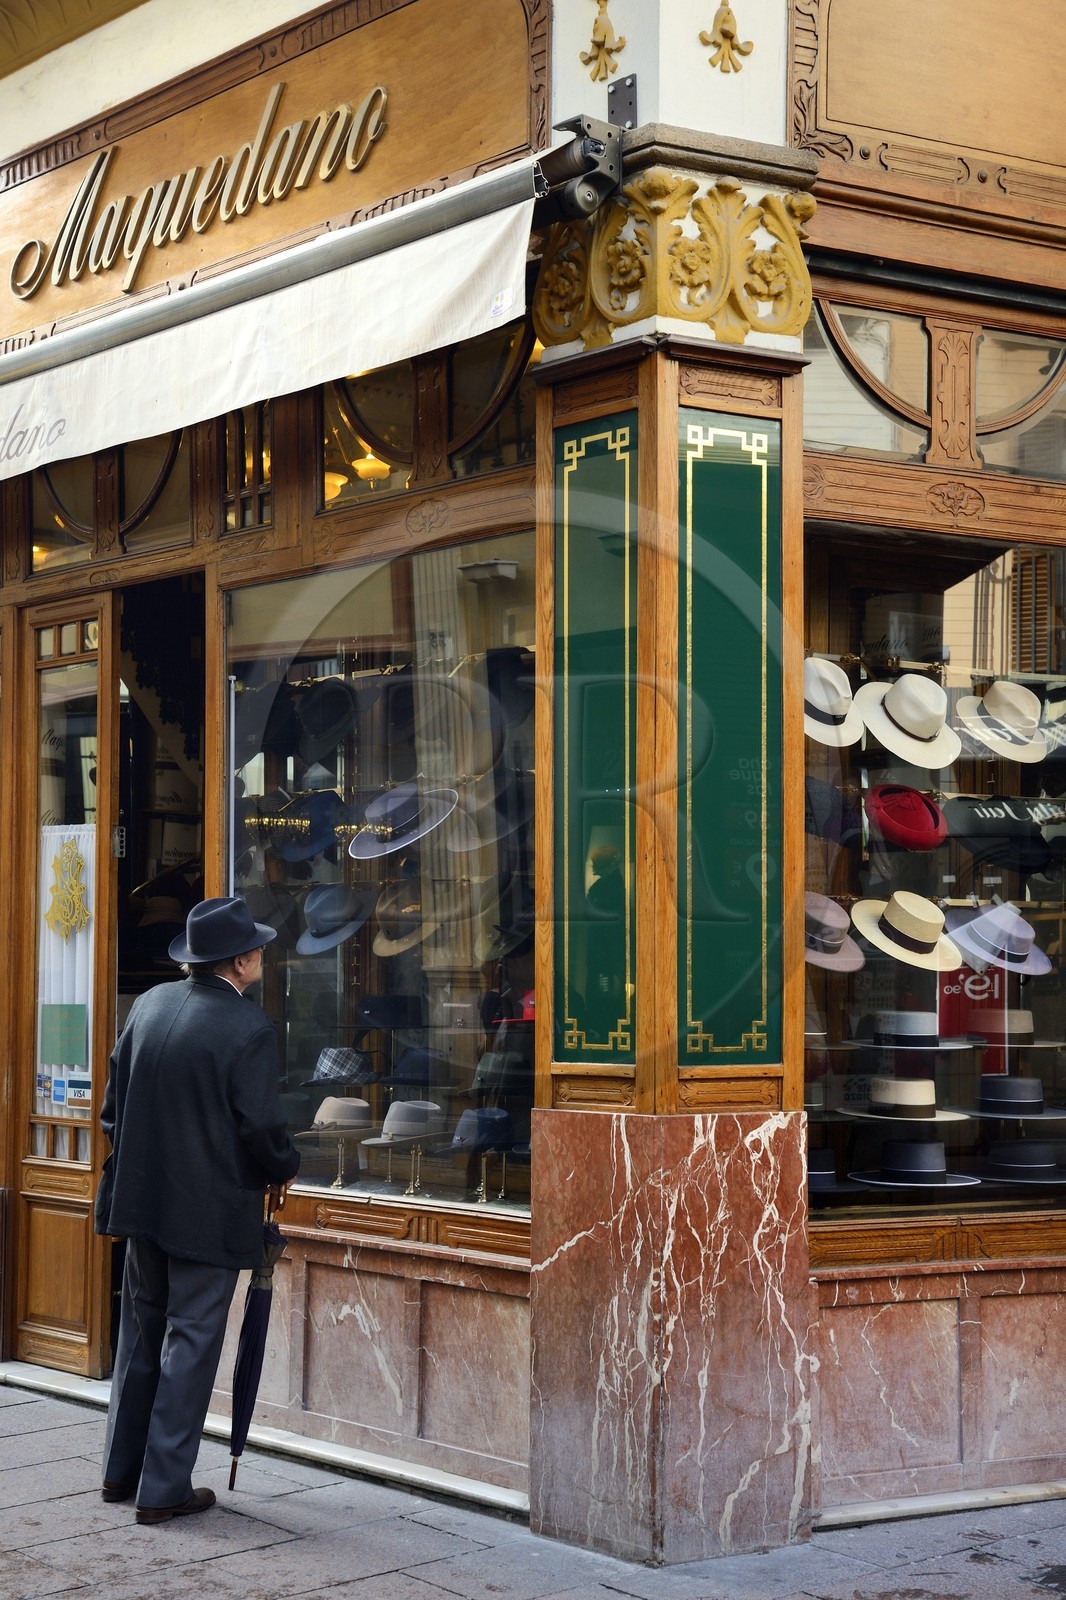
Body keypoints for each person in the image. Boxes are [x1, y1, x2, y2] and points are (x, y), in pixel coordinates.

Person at [94, 896, 300, 1525]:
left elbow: (111, 1114)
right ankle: (163, 1490)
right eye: (257, 947)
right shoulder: (248, 1028)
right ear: (239, 960)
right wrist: (284, 1168)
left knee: (141, 1337)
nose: (263, 953)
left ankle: (120, 1475)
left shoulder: (150, 1006)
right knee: (189, 1343)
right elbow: (262, 1129)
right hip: (208, 1214)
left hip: (139, 1203)